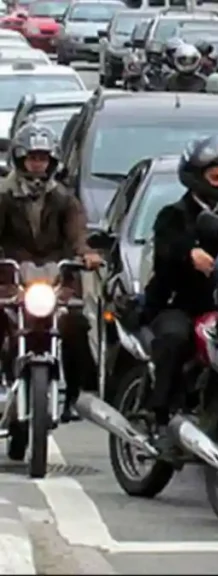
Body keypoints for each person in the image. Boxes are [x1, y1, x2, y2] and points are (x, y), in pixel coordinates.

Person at [142, 135, 218, 438]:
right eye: (215, 177)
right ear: (197, 177)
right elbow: (164, 251)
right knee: (175, 337)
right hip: (178, 304)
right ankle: (159, 413)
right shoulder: (173, 215)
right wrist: (188, 253)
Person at [0, 123, 102, 422]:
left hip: (55, 276)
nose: (38, 164)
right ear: (19, 159)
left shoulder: (63, 198)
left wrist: (86, 254)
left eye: (43, 158)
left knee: (76, 326)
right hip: (11, 277)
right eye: (32, 158)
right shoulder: (4, 194)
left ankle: (73, 396)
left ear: (52, 161)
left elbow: (77, 232)